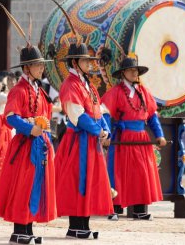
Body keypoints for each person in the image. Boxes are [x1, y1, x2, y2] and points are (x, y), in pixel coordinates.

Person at [0, 0, 56, 245]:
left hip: (39, 143)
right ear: (28, 68)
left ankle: (28, 228)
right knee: (23, 186)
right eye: (39, 65)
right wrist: (32, 128)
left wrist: (44, 127)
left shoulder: (39, 90)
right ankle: (20, 229)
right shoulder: (18, 90)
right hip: (25, 145)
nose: (42, 69)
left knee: (35, 186)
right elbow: (10, 118)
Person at [54, 42, 113, 238]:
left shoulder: (87, 84)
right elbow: (77, 115)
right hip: (78, 141)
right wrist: (98, 130)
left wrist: (105, 129)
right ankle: (75, 226)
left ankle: (83, 225)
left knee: (90, 182)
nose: (89, 63)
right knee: (76, 182)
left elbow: (99, 109)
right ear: (75, 62)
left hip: (91, 140)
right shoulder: (70, 85)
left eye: (89, 60)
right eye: (85, 60)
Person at [101, 56, 167, 221]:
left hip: (141, 138)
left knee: (141, 173)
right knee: (118, 172)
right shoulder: (115, 92)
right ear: (123, 73)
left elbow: (151, 116)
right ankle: (114, 208)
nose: (134, 73)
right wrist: (107, 134)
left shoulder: (144, 92)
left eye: (136, 70)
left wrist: (159, 135)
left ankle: (139, 209)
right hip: (123, 137)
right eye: (131, 70)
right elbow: (106, 115)